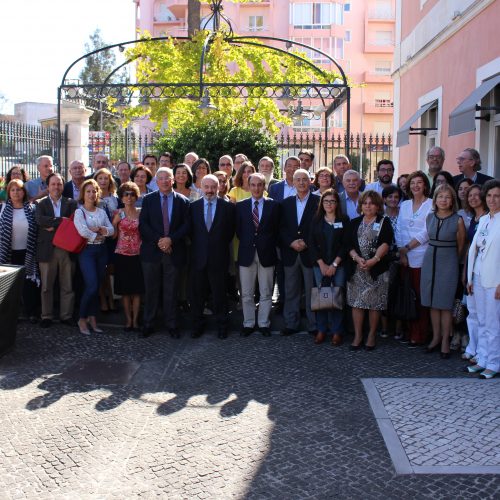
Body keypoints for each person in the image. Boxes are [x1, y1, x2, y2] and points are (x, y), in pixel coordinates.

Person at [139, 167, 190, 338]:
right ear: (156, 181)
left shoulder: (183, 201)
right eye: (161, 178)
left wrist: (170, 240)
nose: (165, 181)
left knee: (171, 290)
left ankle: (172, 324)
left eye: (168, 178)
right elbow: (143, 225)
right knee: (151, 290)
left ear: (173, 180)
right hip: (152, 251)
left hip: (174, 251)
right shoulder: (148, 200)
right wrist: (160, 241)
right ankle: (148, 323)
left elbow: (186, 225)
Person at [421, 184, 466, 358]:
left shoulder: (458, 219)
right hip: (430, 259)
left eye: (447, 197)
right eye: (440, 196)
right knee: (432, 302)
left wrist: (451, 261)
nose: (443, 200)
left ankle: (446, 341)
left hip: (448, 262)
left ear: (452, 200)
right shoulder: (430, 217)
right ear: (436, 199)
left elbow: (460, 246)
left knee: (445, 304)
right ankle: (436, 338)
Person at [189, 175, 235, 339]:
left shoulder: (228, 208)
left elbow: (229, 233)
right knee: (197, 296)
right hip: (198, 258)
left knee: (220, 295)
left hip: (219, 258)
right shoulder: (192, 207)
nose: (209, 191)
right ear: (201, 187)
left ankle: (222, 326)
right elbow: (190, 232)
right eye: (206, 187)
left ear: (219, 188)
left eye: (212, 187)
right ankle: (197, 326)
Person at [346, 191, 393, 350]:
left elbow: (386, 243)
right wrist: (356, 258)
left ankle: (372, 335)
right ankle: (358, 335)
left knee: (375, 305)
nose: (368, 206)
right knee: (357, 304)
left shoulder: (384, 221)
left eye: (371, 203)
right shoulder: (354, 222)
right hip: (357, 269)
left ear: (378, 206)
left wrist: (373, 260)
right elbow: (348, 244)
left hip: (377, 270)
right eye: (365, 203)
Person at [236, 173, 280, 337]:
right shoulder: (240, 206)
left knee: (266, 291)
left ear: (264, 186)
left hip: (267, 254)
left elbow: (276, 230)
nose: (256, 188)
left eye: (259, 185)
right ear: (248, 186)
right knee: (246, 293)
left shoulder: (274, 206)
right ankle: (248, 323)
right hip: (246, 253)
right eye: (253, 185)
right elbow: (239, 231)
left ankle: (263, 323)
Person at [466, 180, 500, 379]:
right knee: (481, 320)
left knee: (493, 323)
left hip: (494, 280)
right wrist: (470, 276)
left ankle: (494, 363)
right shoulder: (485, 219)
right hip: (478, 277)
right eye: (489, 196)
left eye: (496, 196)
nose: (492, 199)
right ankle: (483, 359)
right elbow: (475, 250)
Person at [279, 169, 320, 336]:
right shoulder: (285, 203)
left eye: (305, 179)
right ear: (293, 182)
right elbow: (280, 227)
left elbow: (319, 228)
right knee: (291, 291)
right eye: (298, 180)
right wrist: (291, 242)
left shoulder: (318, 201)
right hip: (291, 252)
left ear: (310, 181)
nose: (302, 182)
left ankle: (314, 325)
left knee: (312, 291)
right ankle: (291, 323)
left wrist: (307, 243)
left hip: (310, 253)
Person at [35, 173, 78, 328]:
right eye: (53, 184)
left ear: (62, 185)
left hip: (66, 249)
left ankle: (66, 315)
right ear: (48, 186)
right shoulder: (41, 204)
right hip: (47, 249)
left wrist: (52, 225)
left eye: (59, 184)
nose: (56, 187)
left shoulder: (71, 203)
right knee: (46, 286)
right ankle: (46, 316)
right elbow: (40, 220)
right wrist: (61, 221)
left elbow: (73, 223)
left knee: (67, 284)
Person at [396, 171, 433, 347]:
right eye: (412, 183)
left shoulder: (431, 205)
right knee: (406, 296)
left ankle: (420, 333)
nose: (416, 186)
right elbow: (400, 229)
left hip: (421, 256)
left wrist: (408, 248)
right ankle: (408, 330)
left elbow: (427, 231)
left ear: (425, 185)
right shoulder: (404, 205)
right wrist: (402, 252)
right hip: (404, 257)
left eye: (419, 182)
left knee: (419, 296)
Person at [309, 189, 349, 346]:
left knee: (337, 297)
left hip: (338, 265)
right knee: (322, 297)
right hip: (320, 265)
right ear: (322, 203)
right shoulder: (316, 220)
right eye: (326, 201)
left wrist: (334, 264)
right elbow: (311, 244)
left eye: (332, 201)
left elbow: (345, 245)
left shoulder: (344, 220)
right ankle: (321, 330)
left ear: (337, 203)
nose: (329, 204)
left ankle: (337, 331)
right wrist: (321, 264)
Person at [74, 179, 114, 335]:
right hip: (87, 252)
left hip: (102, 251)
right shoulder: (80, 212)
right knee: (91, 285)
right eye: (88, 191)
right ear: (83, 193)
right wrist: (96, 235)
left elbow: (110, 230)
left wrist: (101, 229)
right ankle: (82, 318)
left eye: (94, 191)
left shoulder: (102, 212)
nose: (91, 194)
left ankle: (92, 317)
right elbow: (82, 231)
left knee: (96, 287)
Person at [0, 179, 40, 321]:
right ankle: (11, 315)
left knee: (29, 283)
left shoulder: (32, 208)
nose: (16, 193)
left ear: (24, 192)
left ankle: (31, 312)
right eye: (13, 190)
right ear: (8, 193)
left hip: (28, 252)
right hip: (8, 253)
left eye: (19, 190)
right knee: (9, 285)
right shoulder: (2, 208)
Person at [112, 182, 144, 332]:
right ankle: (128, 320)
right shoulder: (118, 213)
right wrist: (115, 223)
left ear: (136, 196)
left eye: (132, 194)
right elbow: (112, 235)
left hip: (138, 254)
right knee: (125, 291)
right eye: (126, 194)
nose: (129, 197)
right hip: (122, 255)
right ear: (121, 197)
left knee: (137, 290)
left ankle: (136, 320)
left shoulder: (141, 212)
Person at [462, 184, 488, 362]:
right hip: (471, 270)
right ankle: (473, 347)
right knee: (472, 312)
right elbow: (469, 247)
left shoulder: (489, 219)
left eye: (477, 195)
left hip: (484, 272)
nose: (473, 198)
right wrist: (465, 272)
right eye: (470, 195)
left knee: (484, 315)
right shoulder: (473, 219)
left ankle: (482, 351)